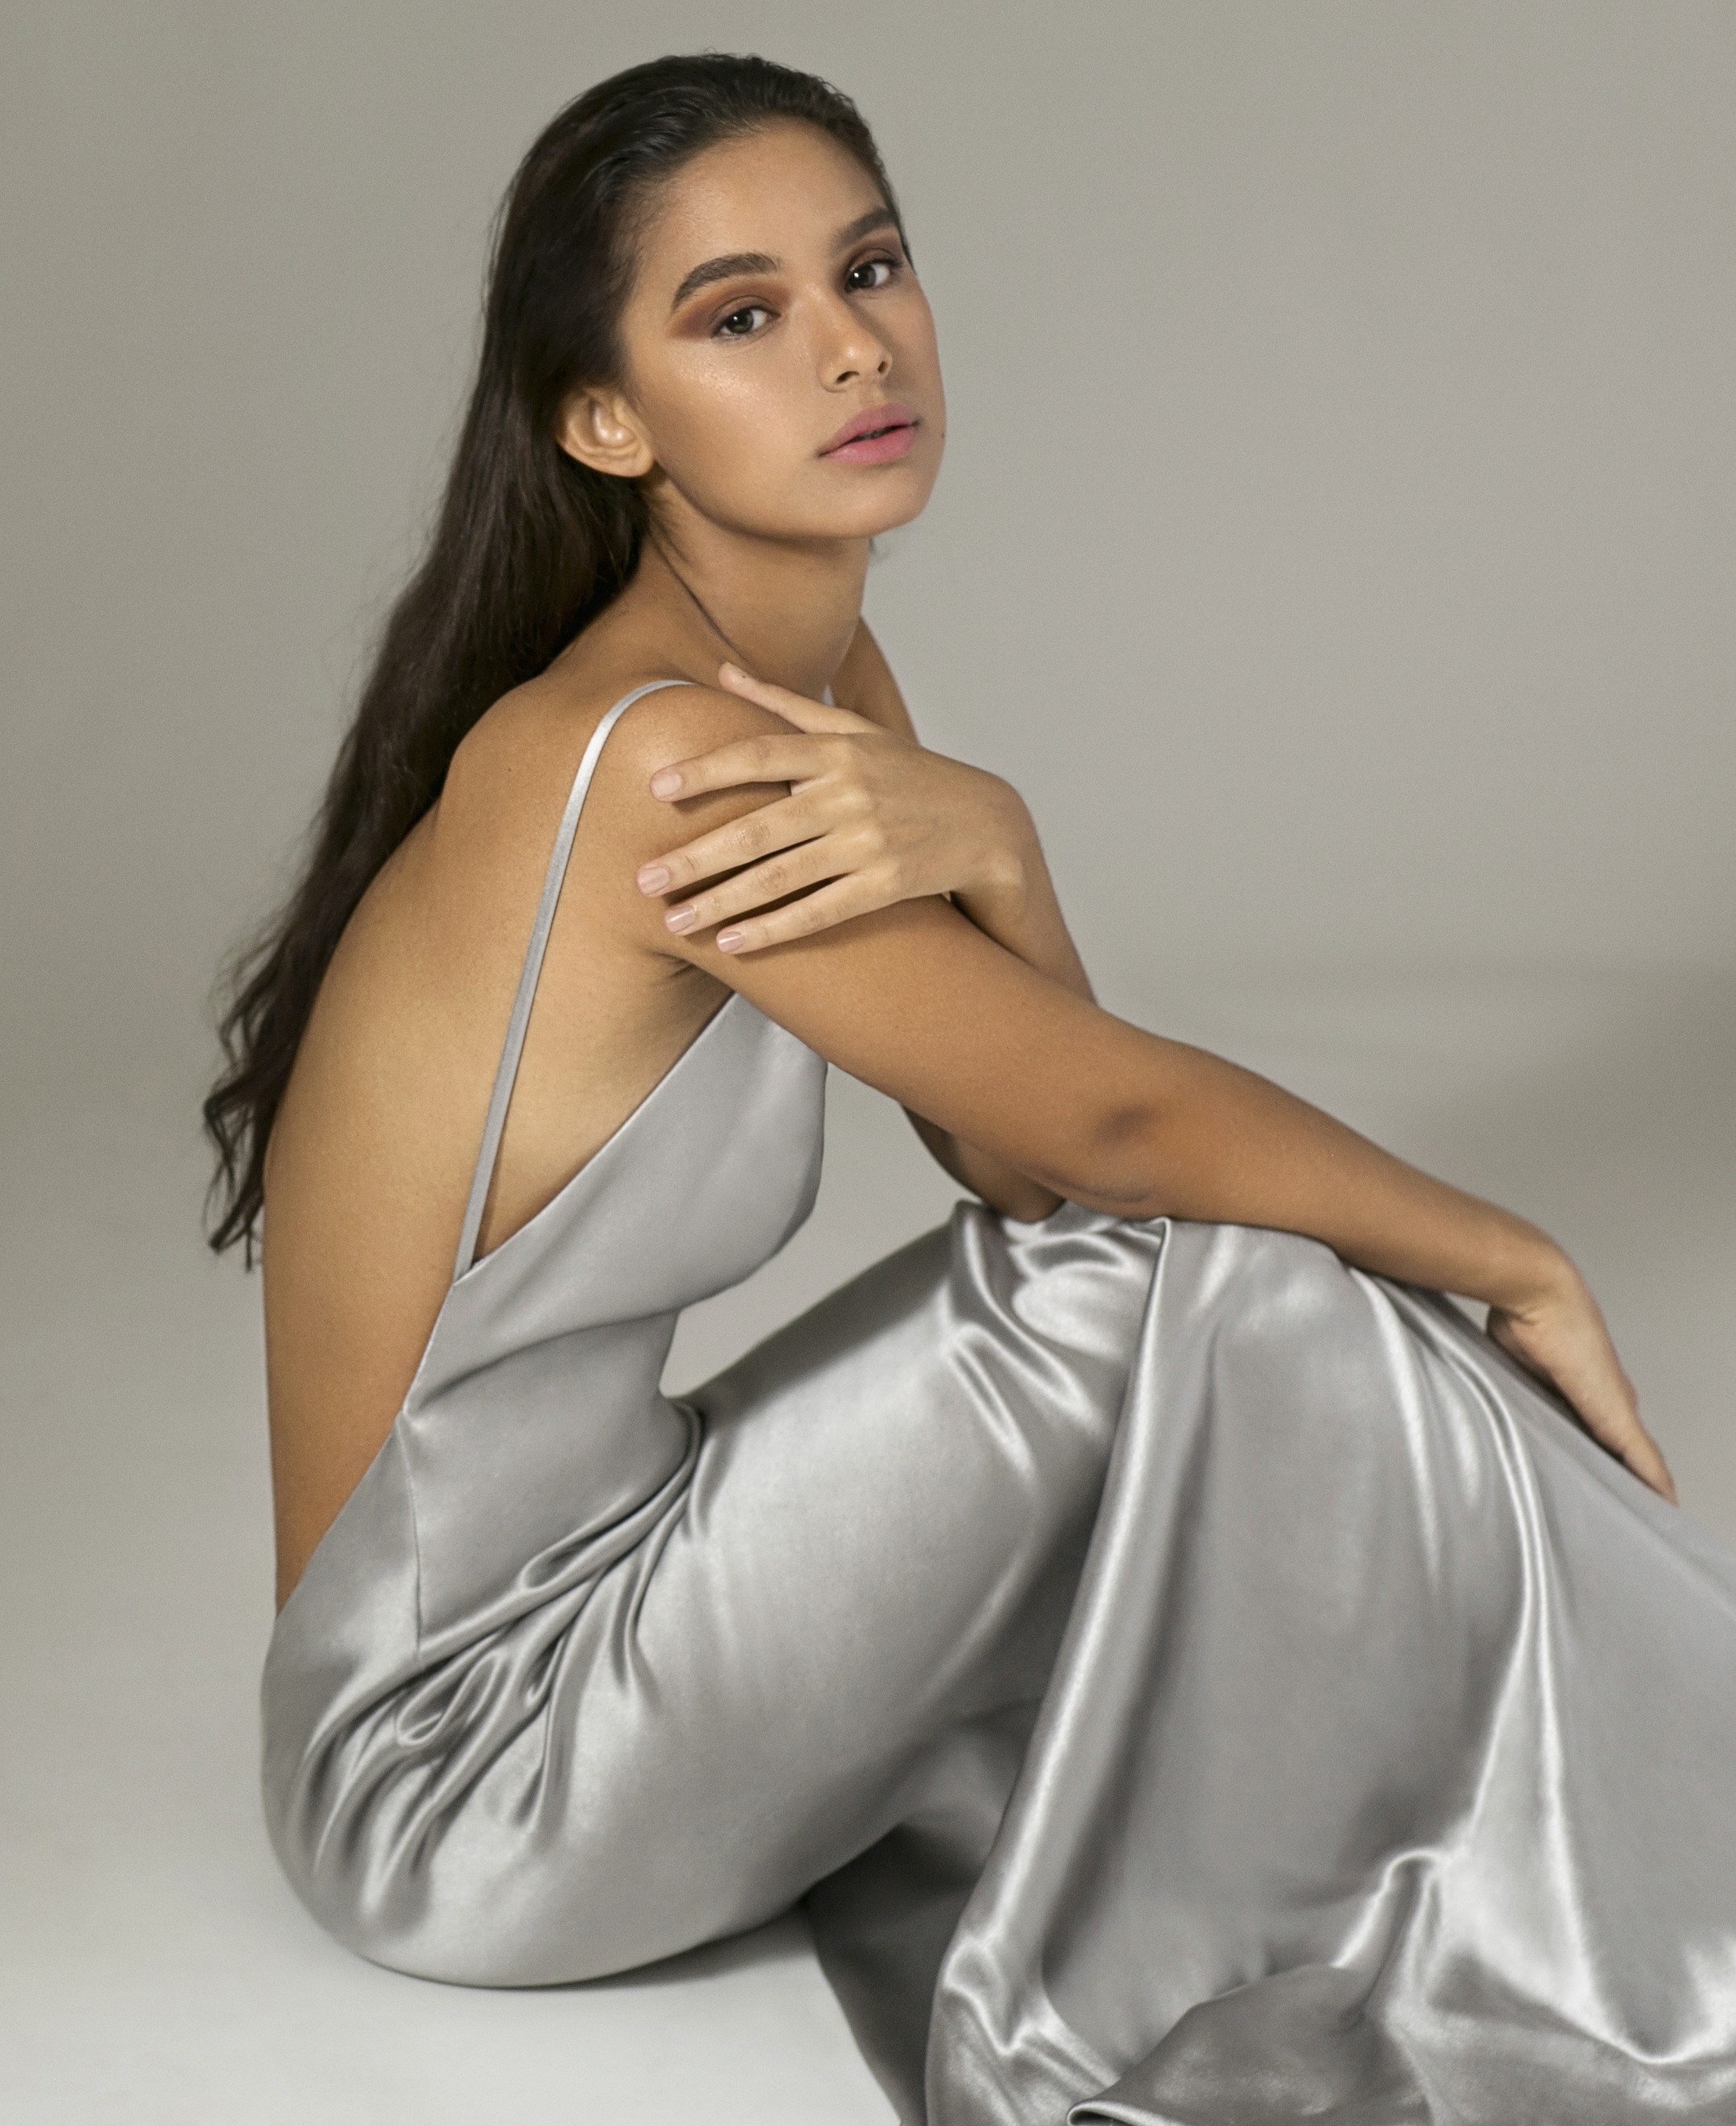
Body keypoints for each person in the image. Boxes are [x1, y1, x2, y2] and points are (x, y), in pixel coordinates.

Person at [202, 52, 1736, 2126]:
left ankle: (1655, 1805)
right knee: (1198, 1294)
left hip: (618, 1591)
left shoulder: (803, 690)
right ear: (603, 419)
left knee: (1192, 1284)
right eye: (740, 315)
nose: (851, 345)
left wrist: (1000, 842)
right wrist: (1511, 1254)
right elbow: (1111, 1155)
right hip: (460, 1764)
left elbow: (1029, 1150)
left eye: (874, 267)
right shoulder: (651, 757)